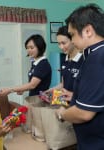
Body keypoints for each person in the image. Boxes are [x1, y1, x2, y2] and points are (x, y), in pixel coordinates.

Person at [56, 3, 104, 150]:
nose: (73, 41)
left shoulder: (97, 57)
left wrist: (63, 114)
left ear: (88, 30)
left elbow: (84, 113)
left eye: (72, 35)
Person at [45, 25, 84, 102]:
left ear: (73, 40)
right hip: (65, 103)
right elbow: (63, 84)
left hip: (79, 105)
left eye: (64, 43)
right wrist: (51, 90)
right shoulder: (65, 61)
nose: (61, 47)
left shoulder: (84, 60)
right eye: (59, 44)